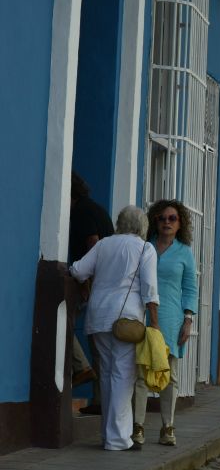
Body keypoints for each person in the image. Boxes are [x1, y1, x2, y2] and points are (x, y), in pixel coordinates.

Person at [69, 206, 159, 451]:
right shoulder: (145, 248)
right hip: (127, 321)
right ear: (143, 227)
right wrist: (155, 323)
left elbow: (77, 270)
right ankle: (119, 439)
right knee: (122, 377)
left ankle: (110, 436)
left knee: (108, 376)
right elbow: (149, 288)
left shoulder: (104, 245)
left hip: (98, 318)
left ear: (120, 223)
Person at [131, 200, 197, 448]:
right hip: (142, 316)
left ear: (180, 224)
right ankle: (137, 427)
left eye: (172, 218)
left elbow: (190, 288)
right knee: (139, 373)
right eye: (162, 218)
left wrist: (188, 319)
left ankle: (167, 427)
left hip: (171, 318)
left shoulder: (184, 253)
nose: (167, 222)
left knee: (169, 374)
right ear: (154, 222)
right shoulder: (144, 248)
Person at [68, 172, 116, 405]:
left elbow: (93, 243)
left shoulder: (81, 212)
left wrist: (86, 281)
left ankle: (81, 367)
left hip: (92, 282)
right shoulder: (96, 209)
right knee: (99, 346)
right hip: (107, 284)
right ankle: (99, 401)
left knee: (62, 324)